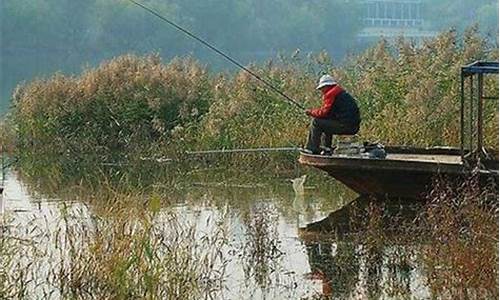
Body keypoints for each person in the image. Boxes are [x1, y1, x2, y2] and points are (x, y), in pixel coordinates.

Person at [304, 74, 361, 154]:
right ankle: (326, 148)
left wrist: (311, 112)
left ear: (327, 86)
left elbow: (323, 112)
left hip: (346, 126)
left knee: (316, 122)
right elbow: (328, 114)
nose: (321, 91)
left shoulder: (331, 94)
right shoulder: (340, 93)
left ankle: (311, 148)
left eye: (322, 88)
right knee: (326, 121)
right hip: (353, 126)